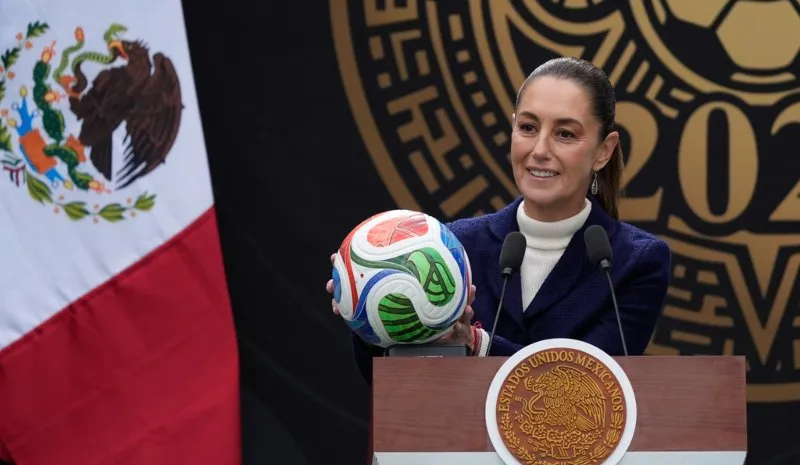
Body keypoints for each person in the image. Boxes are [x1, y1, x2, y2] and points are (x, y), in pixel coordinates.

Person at [326, 57, 671, 384]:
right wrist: (369, 313)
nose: (539, 149)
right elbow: (393, 383)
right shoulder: (453, 247)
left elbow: (588, 387)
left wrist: (478, 345)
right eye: (528, 127)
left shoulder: (634, 262)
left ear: (603, 151)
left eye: (565, 134)